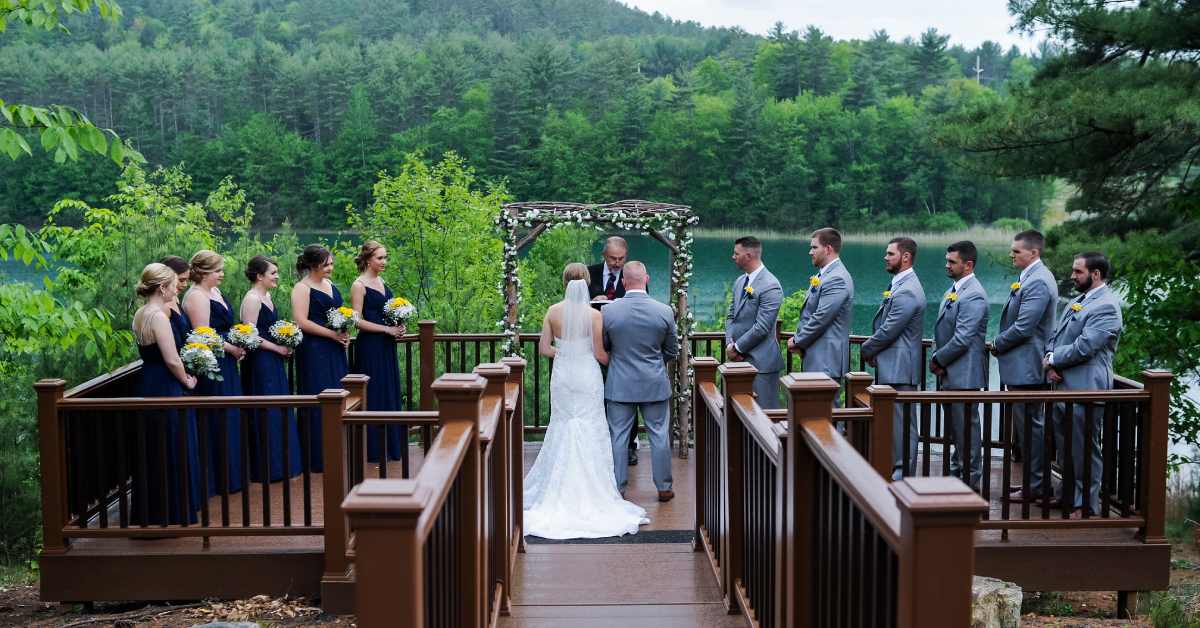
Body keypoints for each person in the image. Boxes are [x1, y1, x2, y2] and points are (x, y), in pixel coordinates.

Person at [522, 264, 649, 539]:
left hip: (564, 374)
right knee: (590, 424)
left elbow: (544, 349)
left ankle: (557, 487)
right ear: (587, 282)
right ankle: (593, 488)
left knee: (563, 422)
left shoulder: (553, 312)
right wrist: (619, 363)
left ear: (564, 281)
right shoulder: (593, 315)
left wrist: (566, 352)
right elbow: (601, 354)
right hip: (587, 374)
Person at [1044, 252, 1122, 518]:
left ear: (1096, 274)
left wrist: (1055, 359)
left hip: (1087, 389)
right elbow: (1055, 336)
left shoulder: (1107, 306)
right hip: (1063, 386)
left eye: (1078, 272)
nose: (1072, 276)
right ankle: (1066, 495)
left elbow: (1086, 347)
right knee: (1065, 448)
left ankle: (1086, 505)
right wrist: (1050, 361)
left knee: (1085, 449)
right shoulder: (1077, 301)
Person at [602, 261, 680, 502]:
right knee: (658, 435)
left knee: (618, 437)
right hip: (654, 382)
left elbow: (605, 346)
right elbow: (672, 349)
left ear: (624, 282)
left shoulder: (608, 311)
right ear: (646, 279)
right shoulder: (664, 311)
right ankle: (664, 487)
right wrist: (655, 362)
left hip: (620, 384)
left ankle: (618, 487)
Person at [129, 263, 200, 525]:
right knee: (172, 446)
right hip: (166, 385)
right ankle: (173, 512)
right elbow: (172, 359)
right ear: (162, 287)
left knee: (154, 448)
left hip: (148, 383)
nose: (175, 290)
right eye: (172, 285)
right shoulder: (159, 316)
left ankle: (152, 511)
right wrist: (188, 381)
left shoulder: (140, 313)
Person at [992, 230, 1057, 502]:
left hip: (1028, 368)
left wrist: (997, 342)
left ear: (1034, 253)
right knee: (1027, 429)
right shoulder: (1029, 277)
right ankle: (1033, 484)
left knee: (1032, 429)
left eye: (1017, 251)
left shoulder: (1039, 281)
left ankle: (1038, 487)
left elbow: (1024, 327)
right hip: (1022, 366)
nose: (1012, 254)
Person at [860, 237, 926, 480]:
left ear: (905, 257)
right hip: (893, 365)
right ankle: (895, 469)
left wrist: (867, 349)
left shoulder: (908, 289)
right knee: (895, 425)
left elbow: (889, 329)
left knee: (904, 426)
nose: (885, 257)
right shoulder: (899, 284)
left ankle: (903, 475)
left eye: (890, 254)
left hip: (901, 368)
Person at [184, 249, 247, 495]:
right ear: (204, 272)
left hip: (228, 361)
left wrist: (241, 340)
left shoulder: (215, 292)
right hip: (213, 364)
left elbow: (224, 326)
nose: (222, 274)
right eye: (217, 270)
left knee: (231, 414)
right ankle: (216, 478)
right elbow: (203, 334)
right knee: (218, 416)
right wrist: (232, 348)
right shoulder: (197, 296)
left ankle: (232, 475)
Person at [930, 241, 989, 491]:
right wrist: (939, 358)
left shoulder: (974, 293)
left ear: (968, 265)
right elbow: (942, 331)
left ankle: (971, 480)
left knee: (967, 432)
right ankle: (957, 474)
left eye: (952, 262)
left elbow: (963, 337)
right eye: (946, 260)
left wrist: (937, 360)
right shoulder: (954, 289)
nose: (946, 265)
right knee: (957, 431)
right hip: (950, 374)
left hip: (964, 375)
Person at [240, 256, 302, 482]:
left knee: (278, 408)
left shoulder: (266, 295)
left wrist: (286, 338)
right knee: (267, 409)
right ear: (259, 276)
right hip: (260, 363)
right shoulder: (252, 299)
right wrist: (277, 348)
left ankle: (282, 464)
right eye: (273, 273)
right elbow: (249, 336)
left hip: (272, 359)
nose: (276, 276)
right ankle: (267, 468)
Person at [291, 244, 349, 473]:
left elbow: (339, 312)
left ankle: (338, 451)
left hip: (334, 348)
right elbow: (301, 321)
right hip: (314, 350)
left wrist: (345, 333)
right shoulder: (302, 288)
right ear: (314, 265)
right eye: (327, 264)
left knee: (340, 394)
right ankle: (317, 456)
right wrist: (332, 334)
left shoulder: (330, 284)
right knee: (319, 398)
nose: (331, 268)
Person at [349, 241, 408, 467]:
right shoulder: (359, 285)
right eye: (380, 258)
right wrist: (386, 329)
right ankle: (373, 449)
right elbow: (356, 320)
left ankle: (391, 447)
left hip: (386, 345)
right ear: (367, 259)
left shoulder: (382, 281)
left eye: (385, 258)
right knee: (374, 392)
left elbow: (386, 311)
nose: (384, 262)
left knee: (388, 389)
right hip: (370, 346)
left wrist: (398, 325)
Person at [788, 228, 854, 406]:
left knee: (827, 414)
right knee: (815, 412)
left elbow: (821, 317)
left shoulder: (837, 278)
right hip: (818, 356)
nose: (810, 252)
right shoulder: (824, 274)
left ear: (828, 249)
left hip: (826, 359)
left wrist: (798, 340)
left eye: (814, 247)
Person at [588, 235, 639, 464]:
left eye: (620, 259)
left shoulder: (633, 276)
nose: (617, 263)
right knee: (597, 397)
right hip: (593, 346)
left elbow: (640, 305)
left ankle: (629, 447)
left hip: (622, 347)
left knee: (628, 398)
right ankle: (599, 445)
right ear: (603, 256)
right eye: (612, 259)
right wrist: (592, 299)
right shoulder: (591, 273)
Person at [725, 236, 784, 408]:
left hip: (761, 364)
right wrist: (730, 343)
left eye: (736, 253)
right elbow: (731, 316)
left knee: (763, 416)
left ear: (749, 255)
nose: (733, 256)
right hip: (738, 360)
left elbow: (762, 327)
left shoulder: (771, 285)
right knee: (739, 413)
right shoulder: (739, 282)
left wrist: (737, 348)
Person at [159, 256, 193, 349]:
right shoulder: (162, 307)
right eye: (181, 280)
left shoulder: (175, 298)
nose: (185, 285)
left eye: (187, 280)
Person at [588, 236, 628, 301]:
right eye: (613, 258)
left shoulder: (633, 276)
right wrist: (592, 301)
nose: (617, 263)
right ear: (604, 255)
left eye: (621, 258)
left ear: (626, 256)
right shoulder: (589, 273)